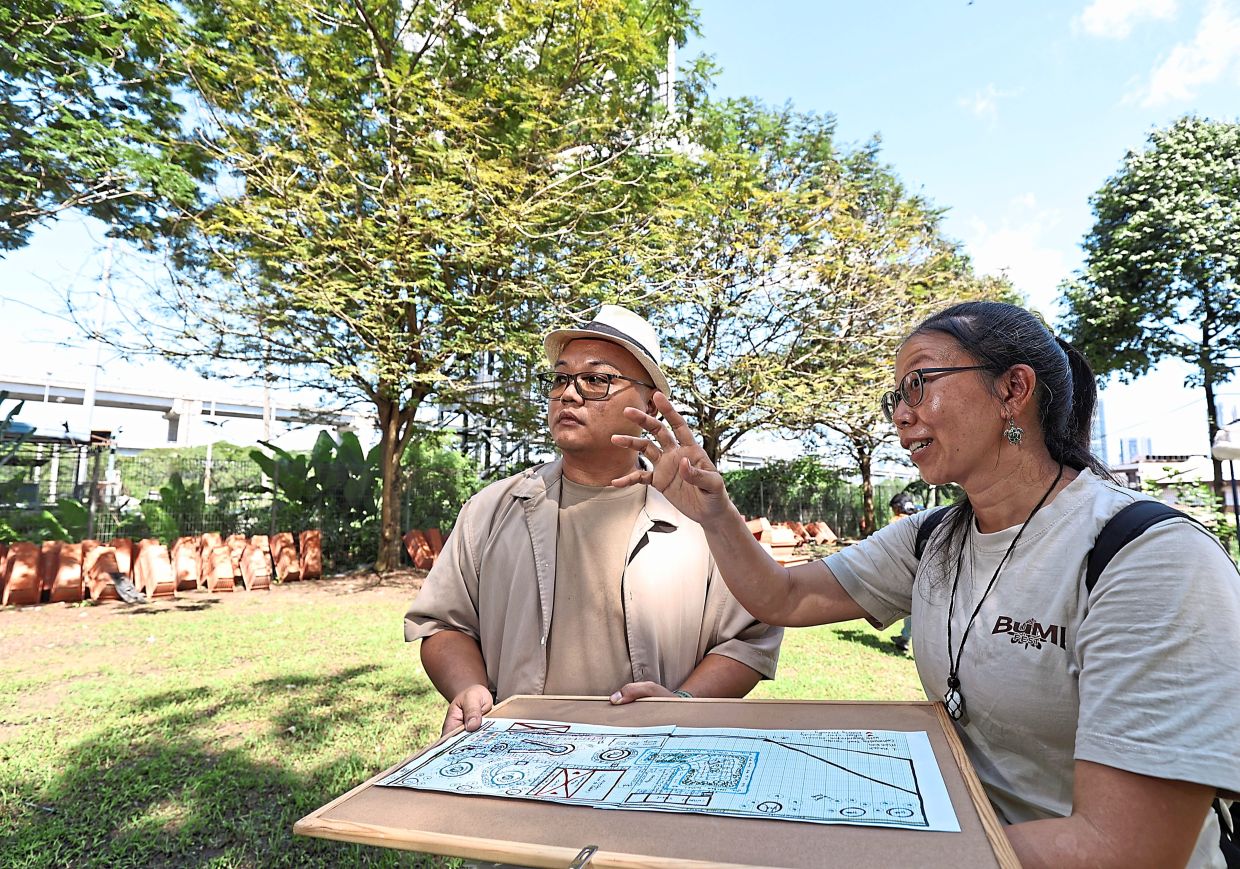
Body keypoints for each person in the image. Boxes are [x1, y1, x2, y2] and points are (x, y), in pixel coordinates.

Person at [611, 300, 1240, 868]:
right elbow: (785, 595)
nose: (901, 416)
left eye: (920, 384)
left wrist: (841, 848)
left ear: (1012, 390)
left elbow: (1124, 849)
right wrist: (715, 511)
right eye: (894, 397)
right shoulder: (933, 537)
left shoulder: (1149, 558)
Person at [405, 304, 782, 736]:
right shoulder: (490, 511)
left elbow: (751, 637)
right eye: (561, 378)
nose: (569, 394)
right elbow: (443, 624)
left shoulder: (700, 520)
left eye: (597, 380)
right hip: (514, 758)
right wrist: (467, 686)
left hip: (651, 762)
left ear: (652, 409)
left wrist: (682, 705)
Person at [886, 492, 921, 653]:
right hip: (927, 571)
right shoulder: (923, 517)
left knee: (912, 608)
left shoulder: (897, 521)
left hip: (908, 572)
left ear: (898, 508)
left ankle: (906, 639)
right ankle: (904, 637)